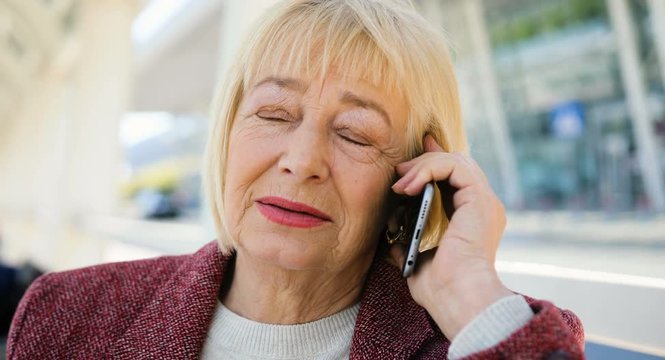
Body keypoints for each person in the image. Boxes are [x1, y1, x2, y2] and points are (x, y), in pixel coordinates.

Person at [7, 0, 584, 359]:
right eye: (274, 115)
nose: (302, 159)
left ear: (415, 179)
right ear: (228, 131)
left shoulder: (488, 340)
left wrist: (466, 294)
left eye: (355, 133)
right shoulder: (68, 315)